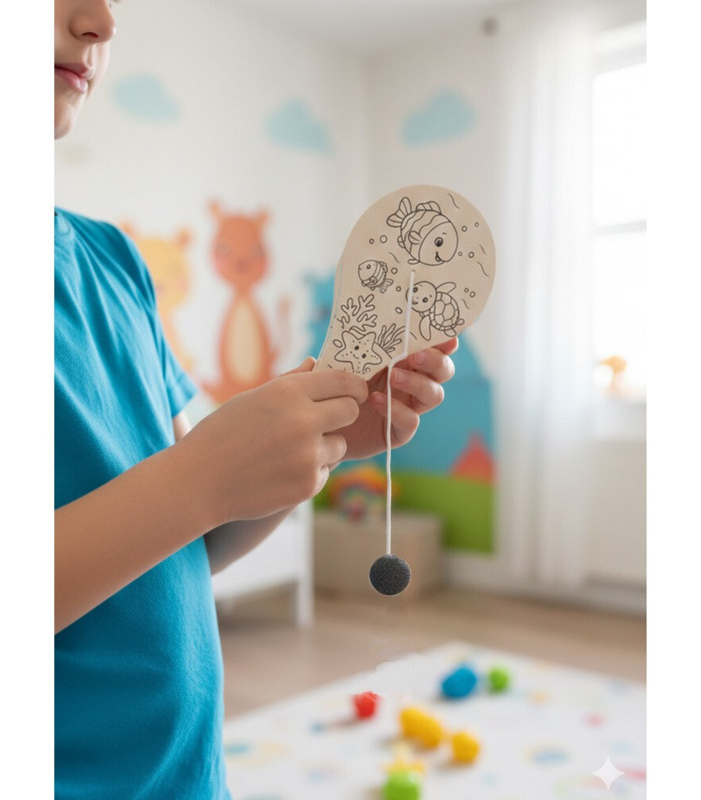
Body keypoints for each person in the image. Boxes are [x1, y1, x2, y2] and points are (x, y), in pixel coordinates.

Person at [54, 1, 458, 797]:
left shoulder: (112, 263)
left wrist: (335, 436)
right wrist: (197, 475)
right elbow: (183, 493)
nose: (102, 20)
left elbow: (184, 545)